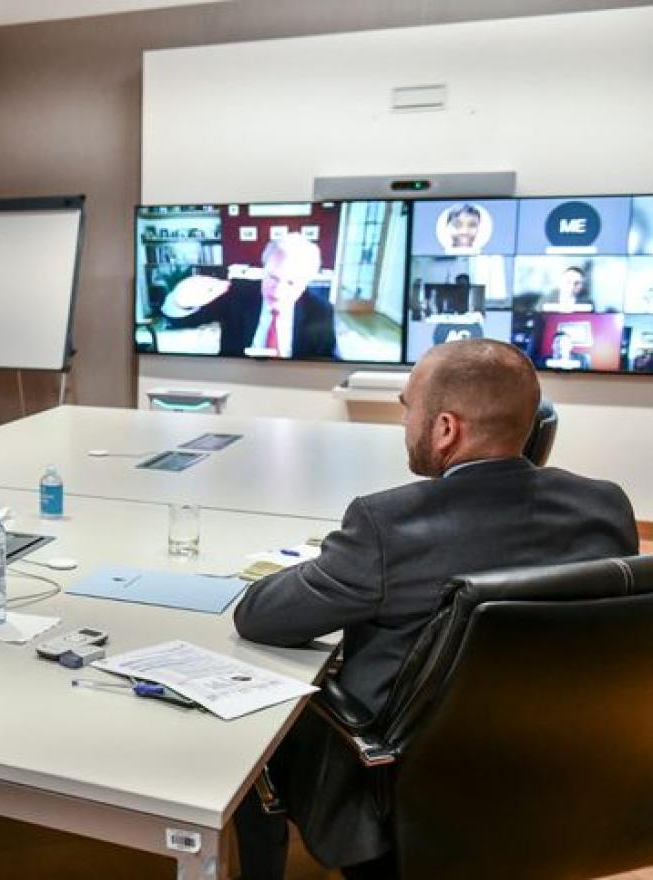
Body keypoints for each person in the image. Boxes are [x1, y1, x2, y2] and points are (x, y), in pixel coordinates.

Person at [230, 338, 637, 878]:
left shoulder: (387, 525)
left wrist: (328, 564)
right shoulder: (605, 506)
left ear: (445, 428)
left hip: (402, 792)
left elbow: (260, 617)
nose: (405, 423)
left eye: (408, 409)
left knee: (261, 727)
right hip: (562, 779)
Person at [159, 233, 336, 358]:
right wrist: (181, 300)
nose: (278, 291)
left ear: (306, 282)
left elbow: (321, 369)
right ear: (263, 269)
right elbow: (178, 321)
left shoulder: (322, 313)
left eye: (291, 283)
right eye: (273, 277)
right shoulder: (238, 293)